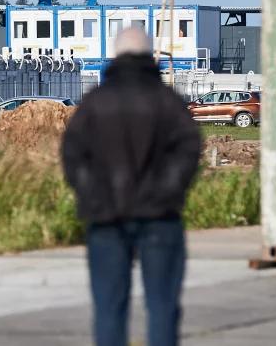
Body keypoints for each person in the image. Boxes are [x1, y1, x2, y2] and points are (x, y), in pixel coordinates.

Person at [61, 27, 201, 346]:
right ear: (149, 55)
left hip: (106, 217)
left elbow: (72, 154)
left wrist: (94, 195)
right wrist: (167, 191)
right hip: (159, 216)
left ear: (115, 55)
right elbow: (189, 149)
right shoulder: (168, 102)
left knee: (109, 309)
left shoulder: (95, 104)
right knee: (162, 307)